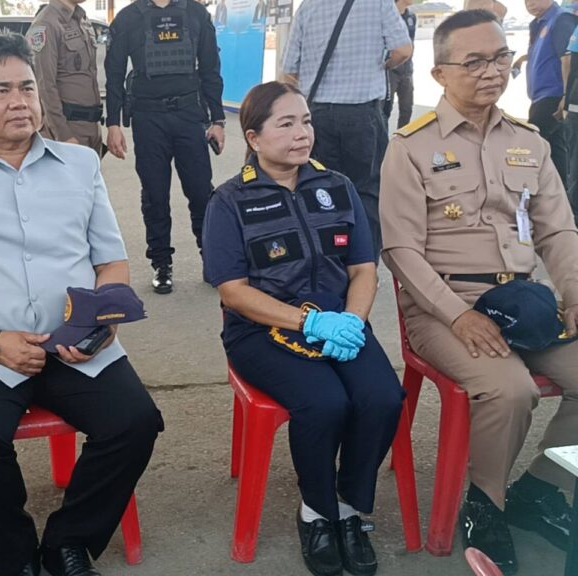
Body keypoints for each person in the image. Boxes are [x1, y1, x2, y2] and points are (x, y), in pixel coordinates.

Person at [0, 33, 163, 576]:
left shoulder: (80, 165)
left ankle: (69, 542)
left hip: (73, 345)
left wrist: (102, 323)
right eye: (0, 90)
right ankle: (16, 557)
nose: (19, 101)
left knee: (135, 423)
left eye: (26, 87)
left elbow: (111, 262)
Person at [380, 11, 578, 574]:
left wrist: (573, 293)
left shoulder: (529, 142)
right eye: (474, 62)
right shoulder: (411, 147)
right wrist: (458, 316)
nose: (492, 72)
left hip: (524, 305)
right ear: (440, 73)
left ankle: (540, 488)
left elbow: (558, 231)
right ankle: (484, 506)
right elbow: (400, 250)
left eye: (499, 59)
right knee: (510, 390)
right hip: (444, 308)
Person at [203, 81, 404, 576]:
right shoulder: (229, 201)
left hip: (340, 320)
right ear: (254, 137)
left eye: (307, 121)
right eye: (287, 124)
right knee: (325, 403)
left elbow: (364, 269)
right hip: (260, 330)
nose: (302, 133)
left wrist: (352, 321)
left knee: (382, 397)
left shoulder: (337, 186)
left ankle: (349, 507)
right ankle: (316, 511)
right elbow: (233, 291)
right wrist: (308, 321)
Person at [104, 0, 226, 294]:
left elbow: (210, 69)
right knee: (155, 194)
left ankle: (211, 258)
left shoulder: (196, 13)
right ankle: (161, 264)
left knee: (201, 191)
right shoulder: (128, 17)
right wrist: (113, 123)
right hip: (148, 118)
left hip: (189, 115)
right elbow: (114, 74)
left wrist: (218, 119)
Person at [283, 0, 412, 259]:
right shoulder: (378, 3)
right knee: (367, 190)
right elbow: (403, 49)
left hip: (317, 115)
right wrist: (382, 65)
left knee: (321, 187)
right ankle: (364, 262)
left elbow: (289, 69)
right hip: (362, 113)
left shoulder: (307, 8)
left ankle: (328, 256)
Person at [513, 0, 577, 185]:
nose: (530, 4)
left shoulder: (561, 19)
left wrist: (565, 96)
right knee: (556, 148)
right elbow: (546, 51)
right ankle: (561, 194)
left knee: (529, 143)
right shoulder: (539, 23)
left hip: (553, 95)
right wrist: (522, 59)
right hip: (540, 95)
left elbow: (567, 58)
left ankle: (522, 190)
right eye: (526, 1)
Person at [26, 0, 102, 154]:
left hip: (91, 126)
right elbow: (44, 85)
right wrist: (63, 134)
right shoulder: (47, 23)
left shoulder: (81, 19)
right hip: (68, 129)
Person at [385, 0, 417, 130]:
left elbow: (411, 43)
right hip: (391, 69)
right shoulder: (388, 15)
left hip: (407, 70)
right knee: (385, 109)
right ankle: (383, 140)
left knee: (407, 108)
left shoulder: (411, 17)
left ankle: (402, 138)